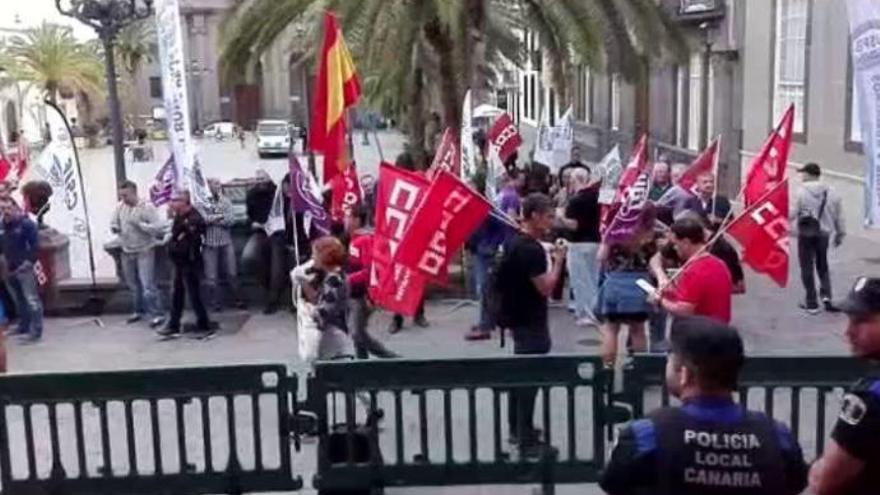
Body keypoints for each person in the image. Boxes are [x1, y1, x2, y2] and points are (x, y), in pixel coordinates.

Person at [600, 316, 809, 495]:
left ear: (685, 374)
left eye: (670, 359)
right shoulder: (777, 436)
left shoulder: (646, 434)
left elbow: (613, 482)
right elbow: (797, 482)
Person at [496, 193, 566, 452]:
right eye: (548, 216)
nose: (552, 221)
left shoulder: (515, 242)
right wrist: (558, 261)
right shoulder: (530, 249)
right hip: (530, 321)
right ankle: (526, 438)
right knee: (530, 381)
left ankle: (517, 428)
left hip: (517, 317)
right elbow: (546, 287)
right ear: (534, 216)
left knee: (520, 376)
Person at [809, 276, 880, 495]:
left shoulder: (871, 398)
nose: (848, 332)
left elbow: (823, 480)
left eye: (861, 320)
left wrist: (815, 469)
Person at [649, 217, 733, 323]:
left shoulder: (695, 271)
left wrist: (660, 300)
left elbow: (683, 310)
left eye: (675, 244)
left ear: (686, 242)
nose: (674, 248)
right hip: (720, 328)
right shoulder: (720, 264)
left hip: (698, 331)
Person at [158, 190, 214, 339]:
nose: (172, 203)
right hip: (179, 262)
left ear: (184, 202)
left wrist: (174, 245)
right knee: (177, 294)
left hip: (191, 262)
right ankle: (173, 324)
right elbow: (175, 236)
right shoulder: (179, 217)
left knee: (195, 295)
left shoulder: (193, 219)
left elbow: (187, 242)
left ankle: (204, 324)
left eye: (175, 200)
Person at [345, 204, 398, 358]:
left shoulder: (364, 240)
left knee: (356, 332)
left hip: (362, 294)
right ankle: (363, 363)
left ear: (356, 220)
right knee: (357, 331)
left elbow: (370, 271)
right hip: (353, 292)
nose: (345, 220)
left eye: (348, 217)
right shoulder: (354, 238)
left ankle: (388, 357)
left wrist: (348, 279)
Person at [110, 181, 165, 328]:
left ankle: (157, 313)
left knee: (147, 284)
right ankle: (138, 311)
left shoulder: (147, 207)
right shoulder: (120, 207)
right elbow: (114, 223)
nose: (123, 198)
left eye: (126, 195)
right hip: (127, 249)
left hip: (144, 249)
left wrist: (141, 225)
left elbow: (158, 228)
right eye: (121, 195)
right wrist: (115, 228)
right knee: (133, 285)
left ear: (134, 192)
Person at [793, 162, 845, 314]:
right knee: (823, 265)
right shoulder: (832, 192)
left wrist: (780, 224)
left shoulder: (801, 192)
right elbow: (839, 215)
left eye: (803, 173)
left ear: (810, 174)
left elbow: (792, 212)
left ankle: (811, 303)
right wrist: (840, 233)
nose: (802, 176)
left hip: (806, 233)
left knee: (806, 266)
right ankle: (827, 297)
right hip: (824, 234)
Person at [299, 236, 355, 360]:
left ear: (325, 256)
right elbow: (319, 299)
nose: (312, 258)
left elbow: (323, 314)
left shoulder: (334, 280)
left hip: (336, 346)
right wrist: (303, 281)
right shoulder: (333, 276)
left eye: (315, 254)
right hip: (333, 342)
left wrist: (308, 310)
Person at [559, 167, 601, 326]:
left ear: (576, 180)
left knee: (580, 281)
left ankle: (585, 313)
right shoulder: (597, 197)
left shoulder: (576, 200)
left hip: (578, 244)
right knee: (593, 279)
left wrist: (561, 216)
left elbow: (574, 225)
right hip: (595, 242)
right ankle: (595, 311)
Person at [0, 198, 42, 343]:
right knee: (19, 299)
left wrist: (29, 262)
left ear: (16, 208)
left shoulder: (27, 224)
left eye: (8, 208)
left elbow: (36, 246)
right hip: (9, 268)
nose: (5, 211)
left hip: (24, 267)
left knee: (31, 299)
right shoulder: (3, 225)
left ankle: (35, 331)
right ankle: (23, 326)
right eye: (2, 209)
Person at [202, 178, 244, 311]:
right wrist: (217, 217)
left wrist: (215, 220)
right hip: (209, 243)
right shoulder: (203, 203)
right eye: (212, 185)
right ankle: (215, 304)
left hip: (225, 242)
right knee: (211, 277)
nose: (215, 187)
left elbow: (231, 219)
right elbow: (201, 219)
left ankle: (238, 300)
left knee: (232, 273)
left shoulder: (225, 201)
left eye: (217, 184)